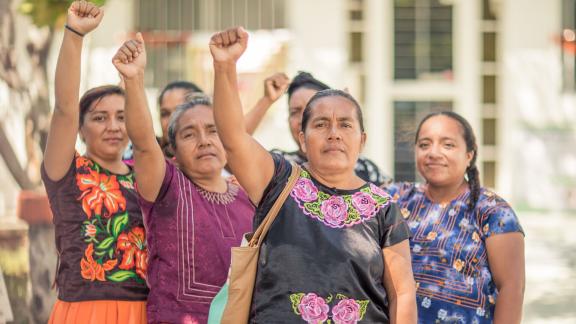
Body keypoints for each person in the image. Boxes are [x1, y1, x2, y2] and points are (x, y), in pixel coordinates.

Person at [209, 27, 417, 323]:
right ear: (303, 139)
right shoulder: (278, 181)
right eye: (321, 124)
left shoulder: (383, 207)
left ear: (362, 140)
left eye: (345, 125)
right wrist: (224, 66)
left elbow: (402, 294)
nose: (334, 134)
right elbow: (232, 137)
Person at [112, 33, 254, 323]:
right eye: (189, 134)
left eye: (213, 130)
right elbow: (142, 142)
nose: (204, 141)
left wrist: (226, 66)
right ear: (172, 151)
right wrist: (134, 80)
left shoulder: (249, 198)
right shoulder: (167, 188)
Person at [42, 2, 148, 323]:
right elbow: (63, 108)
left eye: (121, 117)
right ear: (81, 127)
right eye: (100, 118)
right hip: (85, 310)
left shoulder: (147, 175)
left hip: (144, 309)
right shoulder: (69, 172)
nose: (113, 126)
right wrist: (75, 34)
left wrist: (136, 78)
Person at [386, 112, 525, 324]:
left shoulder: (493, 211)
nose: (433, 153)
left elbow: (512, 287)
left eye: (448, 145)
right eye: (424, 145)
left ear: (469, 154)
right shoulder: (396, 198)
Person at [246, 70, 391, 186]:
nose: (304, 119)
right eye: (295, 112)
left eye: (312, 110)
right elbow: (231, 153)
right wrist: (266, 101)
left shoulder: (364, 169)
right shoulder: (280, 167)